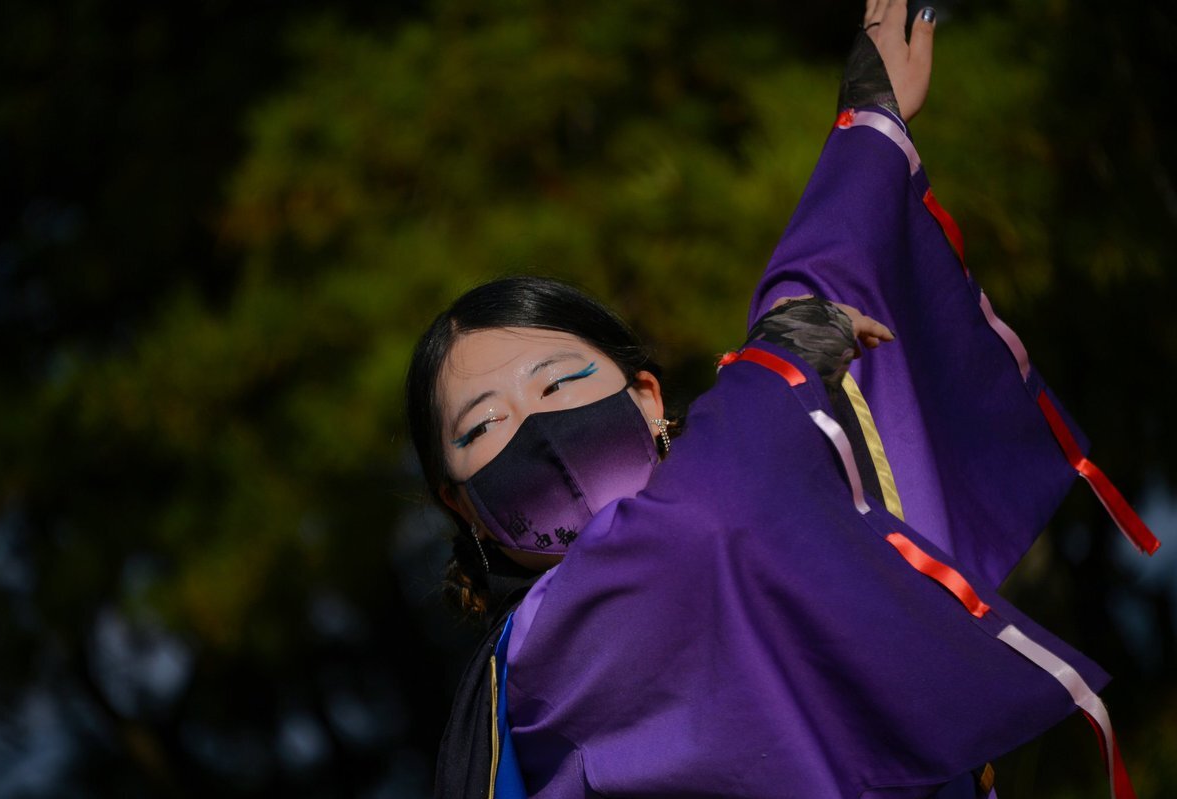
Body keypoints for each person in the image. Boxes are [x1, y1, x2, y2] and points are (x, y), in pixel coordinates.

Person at [406, 2, 1159, 797]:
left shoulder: (762, 491)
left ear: (648, 396)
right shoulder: (541, 646)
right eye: (483, 424)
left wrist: (869, 129)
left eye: (559, 382)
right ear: (460, 504)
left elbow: (809, 316)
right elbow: (700, 508)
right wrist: (789, 348)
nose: (536, 426)